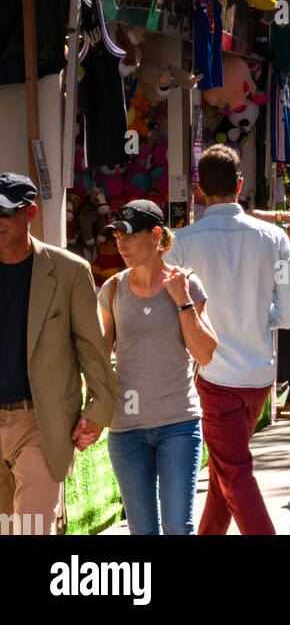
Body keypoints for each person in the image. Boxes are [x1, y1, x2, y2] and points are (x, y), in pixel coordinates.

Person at [170, 144, 290, 535]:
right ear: (240, 185)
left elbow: (173, 312)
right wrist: (258, 320)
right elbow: (289, 313)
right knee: (229, 469)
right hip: (258, 374)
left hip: (214, 376)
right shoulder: (274, 237)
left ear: (198, 190)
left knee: (232, 471)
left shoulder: (182, 241)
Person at [0, 172, 117, 536]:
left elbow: (93, 351)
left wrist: (97, 411)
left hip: (40, 422)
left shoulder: (67, 272)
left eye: (5, 212)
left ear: (30, 212)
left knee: (32, 528)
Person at [99, 200, 218, 535]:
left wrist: (182, 301)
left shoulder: (187, 284)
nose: (120, 244)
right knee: (142, 531)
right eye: (116, 237)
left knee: (178, 528)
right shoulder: (112, 290)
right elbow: (99, 358)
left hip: (177, 424)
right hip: (126, 430)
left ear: (154, 236)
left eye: (128, 236)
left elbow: (205, 353)